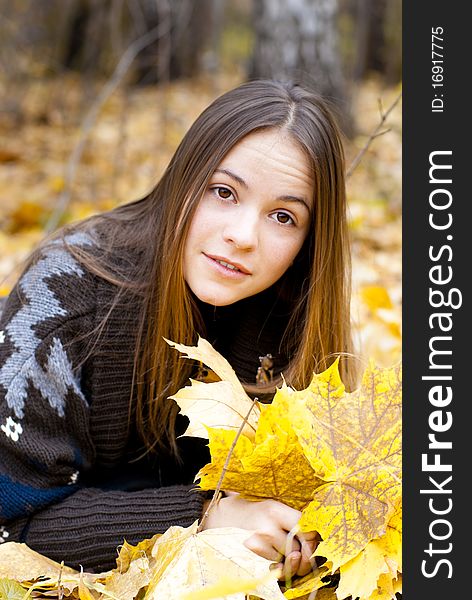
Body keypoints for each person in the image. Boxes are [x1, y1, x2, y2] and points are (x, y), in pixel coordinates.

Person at [0, 79, 355, 577]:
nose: (242, 236)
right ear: (184, 180)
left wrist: (294, 533)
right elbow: (10, 527)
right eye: (224, 192)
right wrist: (204, 519)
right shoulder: (67, 300)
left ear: (308, 240)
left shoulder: (296, 316)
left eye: (282, 216)